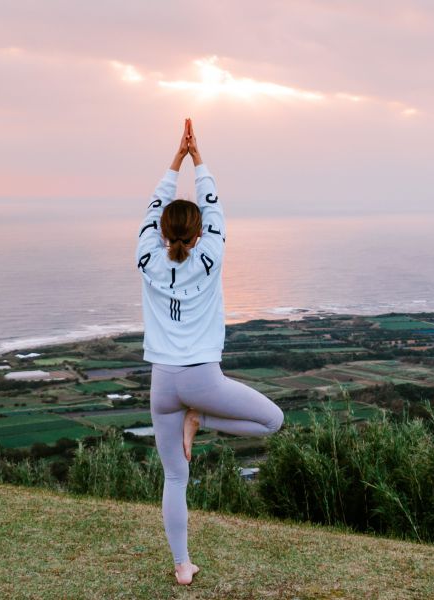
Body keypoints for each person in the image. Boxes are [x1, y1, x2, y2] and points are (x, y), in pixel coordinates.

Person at [135, 118, 285, 586]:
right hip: (202, 378)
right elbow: (214, 207)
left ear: (161, 231)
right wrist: (197, 159)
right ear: (198, 234)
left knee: (174, 479)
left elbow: (154, 206)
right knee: (272, 421)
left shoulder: (145, 255)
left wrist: (174, 161)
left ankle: (182, 567)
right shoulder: (211, 253)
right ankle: (200, 420)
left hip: (162, 384)